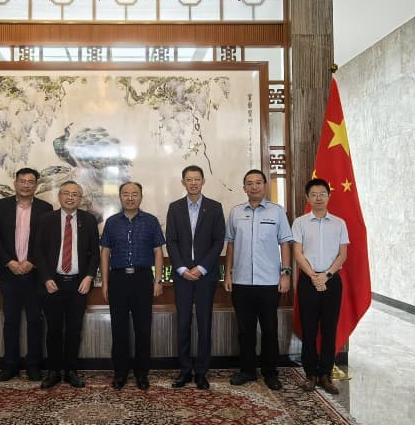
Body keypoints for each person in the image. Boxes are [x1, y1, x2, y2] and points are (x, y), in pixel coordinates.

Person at [224, 169, 293, 391]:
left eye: (258, 183)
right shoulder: (236, 212)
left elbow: (285, 243)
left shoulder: (277, 212)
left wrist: (286, 273)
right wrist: (228, 274)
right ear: (244, 187)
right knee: (245, 330)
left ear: (264, 185)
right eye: (249, 183)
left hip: (269, 282)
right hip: (242, 281)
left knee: (270, 329)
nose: (254, 187)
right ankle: (247, 370)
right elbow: (231, 245)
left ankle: (270, 372)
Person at [33, 181, 100, 389]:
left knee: (73, 330)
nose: (70, 197)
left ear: (80, 199)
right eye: (66, 193)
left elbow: (94, 254)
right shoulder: (46, 220)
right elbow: (38, 252)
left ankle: (71, 371)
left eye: (75, 194)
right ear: (59, 196)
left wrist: (89, 277)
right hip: (53, 283)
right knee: (53, 330)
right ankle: (53, 371)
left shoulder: (88, 220)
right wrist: (46, 278)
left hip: (78, 284)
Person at [165, 165, 226, 390]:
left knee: (204, 323)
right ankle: (184, 370)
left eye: (197, 179)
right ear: (183, 182)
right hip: (182, 277)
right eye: (189, 179)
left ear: (203, 181)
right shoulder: (175, 208)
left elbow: (218, 241)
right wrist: (181, 268)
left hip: (205, 276)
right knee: (183, 323)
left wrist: (201, 268)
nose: (193, 183)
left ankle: (201, 371)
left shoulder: (214, 207)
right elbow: (170, 240)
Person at [101, 182, 165, 390]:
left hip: (142, 279)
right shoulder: (111, 223)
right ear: (120, 197)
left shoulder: (151, 221)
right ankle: (120, 373)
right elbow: (105, 253)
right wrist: (105, 282)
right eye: (126, 194)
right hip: (118, 279)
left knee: (143, 328)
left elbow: (158, 252)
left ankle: (142, 373)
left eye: (134, 194)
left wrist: (158, 281)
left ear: (141, 197)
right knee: (118, 329)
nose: (130, 198)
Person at [0, 168, 53, 382]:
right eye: (22, 181)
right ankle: (11, 365)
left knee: (35, 320)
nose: (26, 185)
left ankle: (33, 365)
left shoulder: (46, 208)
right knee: (11, 321)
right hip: (10, 273)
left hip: (35, 274)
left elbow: (46, 241)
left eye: (31, 182)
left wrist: (31, 262)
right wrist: (10, 262)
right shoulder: (2, 206)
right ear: (15, 183)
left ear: (36, 185)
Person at [292, 178, 348, 395]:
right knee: (309, 329)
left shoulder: (339, 223)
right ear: (307, 198)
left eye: (322, 194)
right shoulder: (300, 222)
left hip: (332, 280)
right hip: (308, 280)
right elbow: (297, 253)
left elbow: (343, 254)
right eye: (313, 194)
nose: (318, 198)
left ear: (328, 196)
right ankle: (311, 374)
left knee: (329, 328)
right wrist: (314, 276)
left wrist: (327, 275)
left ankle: (325, 374)